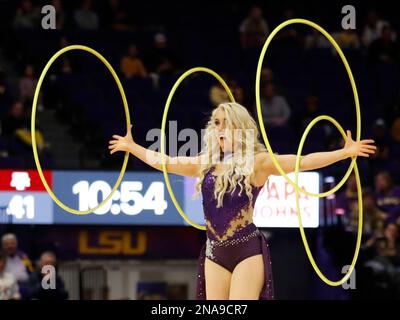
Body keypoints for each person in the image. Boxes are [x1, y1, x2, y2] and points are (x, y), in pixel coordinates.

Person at [108, 102, 376, 299]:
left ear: (240, 128)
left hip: (246, 251)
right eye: (216, 123)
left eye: (225, 123)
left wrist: (344, 153)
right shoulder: (207, 164)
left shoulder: (257, 163)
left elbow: (301, 162)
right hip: (214, 252)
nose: (219, 128)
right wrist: (133, 148)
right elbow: (166, 162)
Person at [1, 234, 33, 298]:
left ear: (16, 244)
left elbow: (31, 271)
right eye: (7, 244)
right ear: (3, 246)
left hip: (25, 286)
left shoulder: (23, 257)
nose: (10, 246)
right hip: (7, 287)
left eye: (12, 243)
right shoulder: (1, 259)